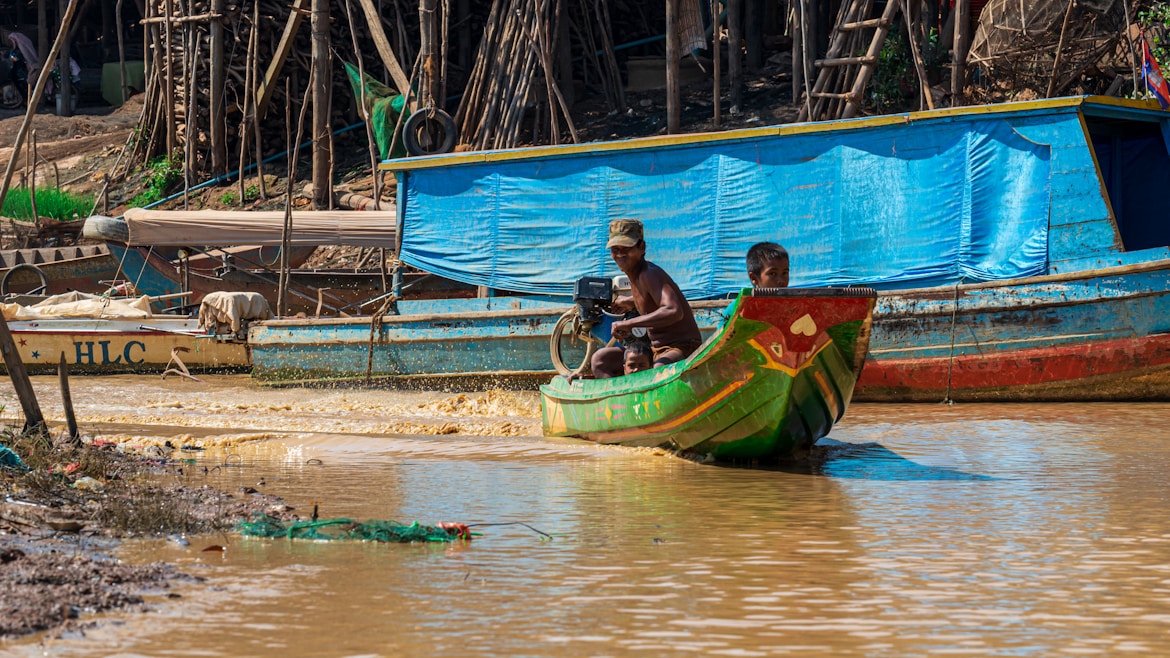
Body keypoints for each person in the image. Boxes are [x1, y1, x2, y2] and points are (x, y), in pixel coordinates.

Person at [589, 219, 703, 376]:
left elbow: (674, 310)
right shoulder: (634, 274)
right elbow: (649, 300)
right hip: (654, 350)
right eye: (615, 249)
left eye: (626, 248)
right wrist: (629, 302)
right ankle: (621, 399)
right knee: (600, 360)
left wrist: (628, 324)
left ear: (641, 247)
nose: (620, 254)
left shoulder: (649, 273)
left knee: (659, 370)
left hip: (682, 347)